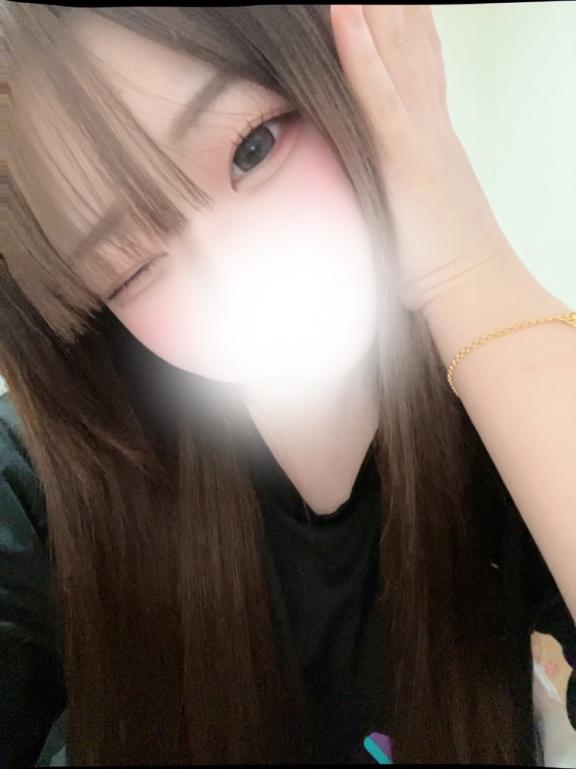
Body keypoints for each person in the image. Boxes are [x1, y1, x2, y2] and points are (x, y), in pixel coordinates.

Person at [1, 5, 575, 766]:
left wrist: (468, 266)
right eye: (130, 269)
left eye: (255, 148)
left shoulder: (502, 410)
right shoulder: (39, 484)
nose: (231, 279)